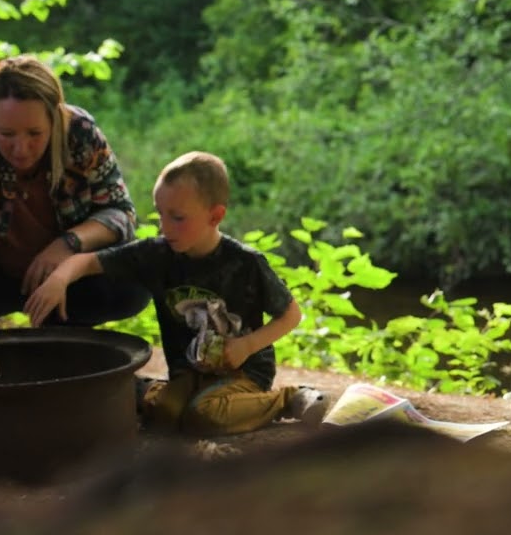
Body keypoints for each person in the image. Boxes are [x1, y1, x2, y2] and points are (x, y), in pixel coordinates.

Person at [24, 151, 327, 435]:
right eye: (161, 215)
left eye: (178, 218)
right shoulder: (157, 254)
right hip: (187, 373)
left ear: (215, 216)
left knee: (205, 416)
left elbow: (291, 315)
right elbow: (89, 261)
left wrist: (247, 345)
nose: (165, 228)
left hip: (243, 373)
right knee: (165, 415)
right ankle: (142, 389)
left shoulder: (246, 263)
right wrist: (59, 278)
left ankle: (289, 399)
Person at [0, 55, 151, 360]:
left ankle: (64, 337)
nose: (21, 148)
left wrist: (67, 244)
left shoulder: (80, 132)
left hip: (67, 278)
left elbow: (120, 213)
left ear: (55, 120)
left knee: (133, 275)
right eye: (6, 135)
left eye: (35, 134)